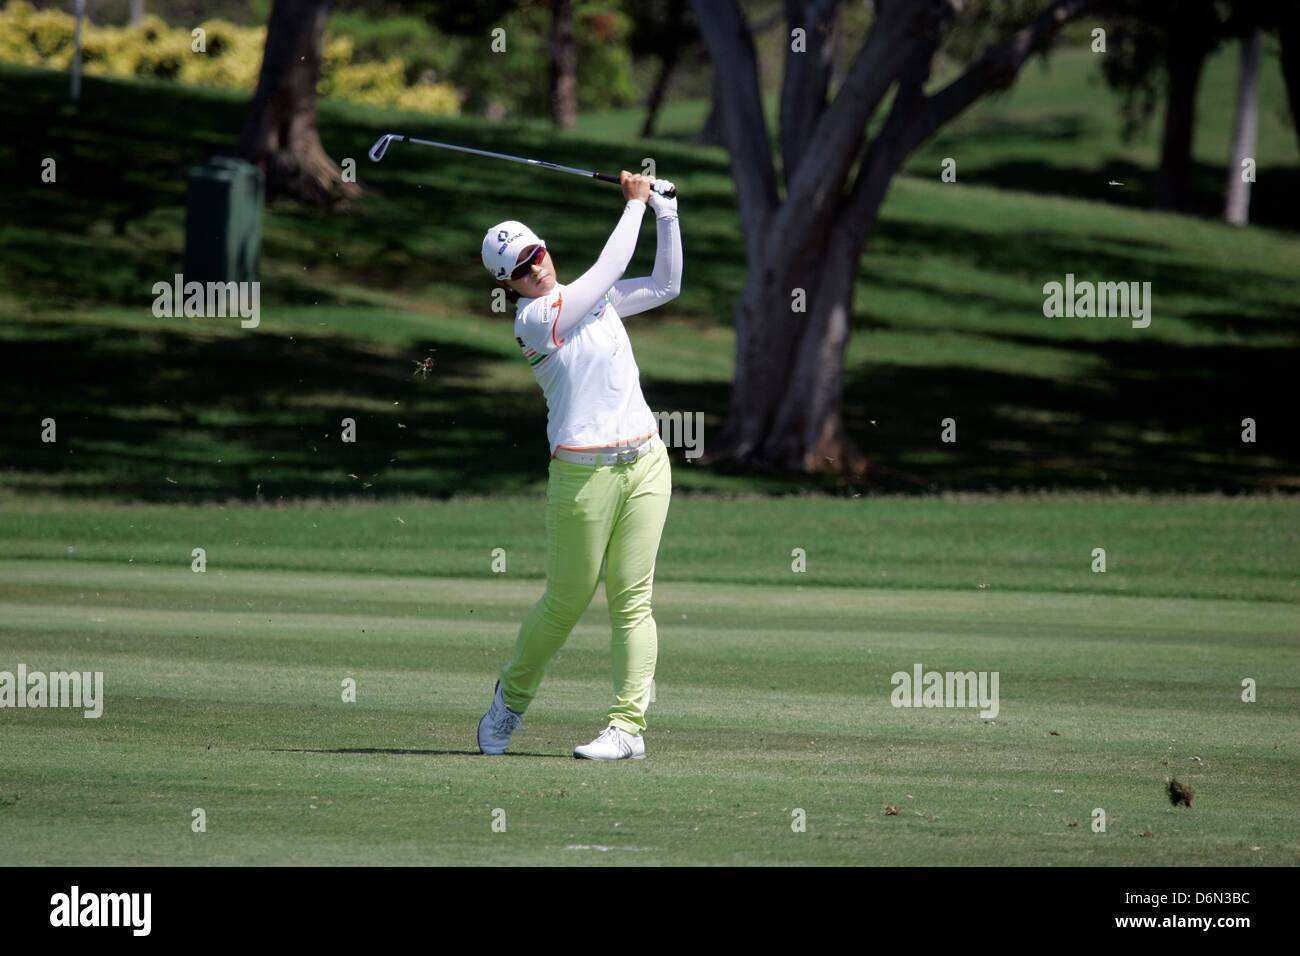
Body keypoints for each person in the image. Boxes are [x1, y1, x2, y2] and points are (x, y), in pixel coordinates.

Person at [476, 170, 682, 760]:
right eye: (520, 267)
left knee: (632, 599)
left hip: (646, 462)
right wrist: (637, 205)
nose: (535, 267)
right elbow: (607, 271)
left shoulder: (600, 300)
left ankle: (628, 729)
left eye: (536, 253)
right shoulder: (536, 322)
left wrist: (667, 215)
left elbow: (666, 285)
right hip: (582, 476)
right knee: (565, 602)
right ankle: (509, 702)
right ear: (507, 283)